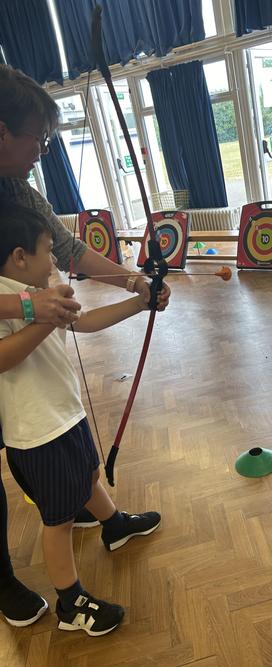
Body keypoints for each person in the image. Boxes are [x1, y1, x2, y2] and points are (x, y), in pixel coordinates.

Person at [0, 63, 170, 626]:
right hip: (31, 419)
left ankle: (111, 524)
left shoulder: (20, 197)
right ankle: (59, 595)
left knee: (84, 471)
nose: (42, 152)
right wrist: (33, 310)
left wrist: (137, 286)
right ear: (2, 132)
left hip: (59, 408)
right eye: (39, 139)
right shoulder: (22, 288)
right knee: (54, 504)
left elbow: (69, 254)